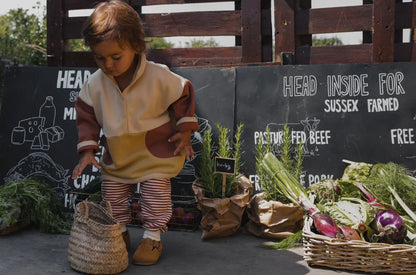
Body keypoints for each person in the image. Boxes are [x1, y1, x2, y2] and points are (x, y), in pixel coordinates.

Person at [71, 0, 199, 266]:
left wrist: (185, 131)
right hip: (118, 155)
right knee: (113, 197)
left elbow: (183, 93)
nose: (108, 64)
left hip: (154, 153)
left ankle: (152, 236)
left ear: (137, 46)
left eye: (116, 56)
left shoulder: (158, 76)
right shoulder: (94, 85)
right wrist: (87, 150)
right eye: (100, 57)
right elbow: (85, 115)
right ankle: (119, 233)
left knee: (155, 194)